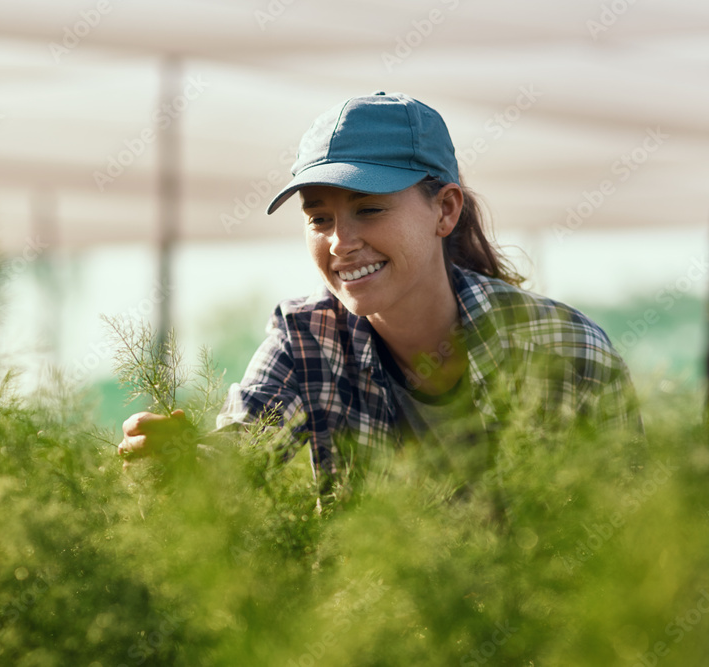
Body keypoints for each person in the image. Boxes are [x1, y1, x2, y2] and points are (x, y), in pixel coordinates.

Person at [118, 91, 642, 494]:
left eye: (369, 209)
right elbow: (240, 458)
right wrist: (176, 460)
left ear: (445, 210)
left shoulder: (562, 350)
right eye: (320, 218)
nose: (341, 242)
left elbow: (626, 531)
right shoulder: (307, 340)